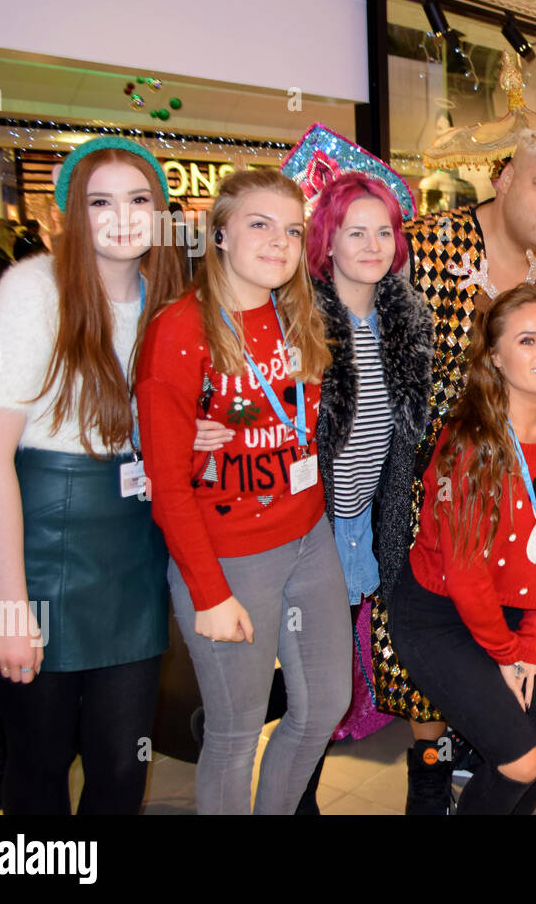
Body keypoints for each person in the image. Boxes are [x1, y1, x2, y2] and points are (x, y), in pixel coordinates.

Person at [383, 126, 536, 812]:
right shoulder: (426, 246)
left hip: (523, 518)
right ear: (503, 179)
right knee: (432, 688)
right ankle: (431, 775)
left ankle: (487, 765)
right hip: (439, 492)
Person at [0, 135, 185, 814]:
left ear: (161, 211)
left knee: (122, 766)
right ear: (68, 213)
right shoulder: (33, 290)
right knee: (39, 764)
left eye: (139, 199)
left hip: (133, 549)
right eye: (100, 201)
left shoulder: (166, 298)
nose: (122, 216)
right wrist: (9, 608)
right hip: (44, 546)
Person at [137, 168, 351, 814]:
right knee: (235, 734)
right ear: (221, 233)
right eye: (260, 224)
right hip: (228, 557)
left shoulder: (298, 314)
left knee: (323, 708)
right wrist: (208, 591)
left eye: (292, 229)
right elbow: (168, 483)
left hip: (310, 541)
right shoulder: (180, 330)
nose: (279, 242)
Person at [387, 283, 536, 815]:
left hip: (515, 608)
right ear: (495, 358)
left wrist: (535, 634)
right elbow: (466, 574)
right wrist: (508, 656)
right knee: (519, 761)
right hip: (441, 613)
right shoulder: (470, 444)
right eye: (528, 341)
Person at [290, 134, 433, 812]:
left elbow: (403, 443)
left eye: (384, 231)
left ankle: (299, 794)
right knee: (316, 689)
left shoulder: (404, 322)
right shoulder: (300, 324)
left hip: (367, 528)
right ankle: (299, 800)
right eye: (356, 231)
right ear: (328, 239)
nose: (373, 245)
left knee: (330, 683)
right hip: (307, 529)